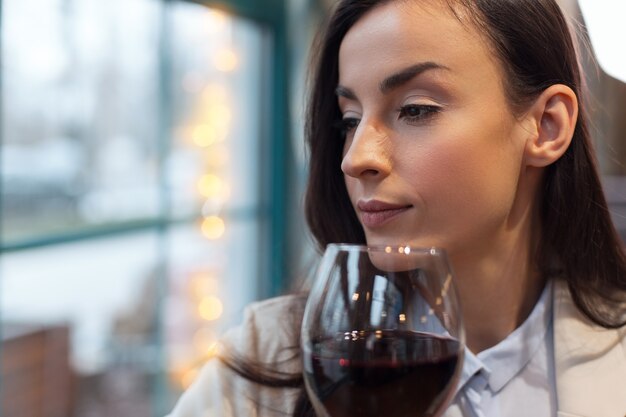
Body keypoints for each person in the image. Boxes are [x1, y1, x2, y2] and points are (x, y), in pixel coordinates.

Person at [167, 0, 626, 416]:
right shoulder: (258, 370)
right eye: (349, 120)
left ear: (546, 126)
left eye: (415, 109)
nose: (356, 157)